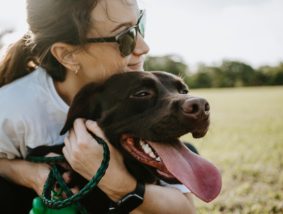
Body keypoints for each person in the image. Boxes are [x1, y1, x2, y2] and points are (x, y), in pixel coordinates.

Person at [0, 0, 196, 213]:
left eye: (141, 24)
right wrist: (30, 174)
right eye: (125, 37)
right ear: (67, 54)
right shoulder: (12, 107)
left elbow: (184, 210)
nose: (143, 47)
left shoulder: (133, 79)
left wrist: (116, 181)